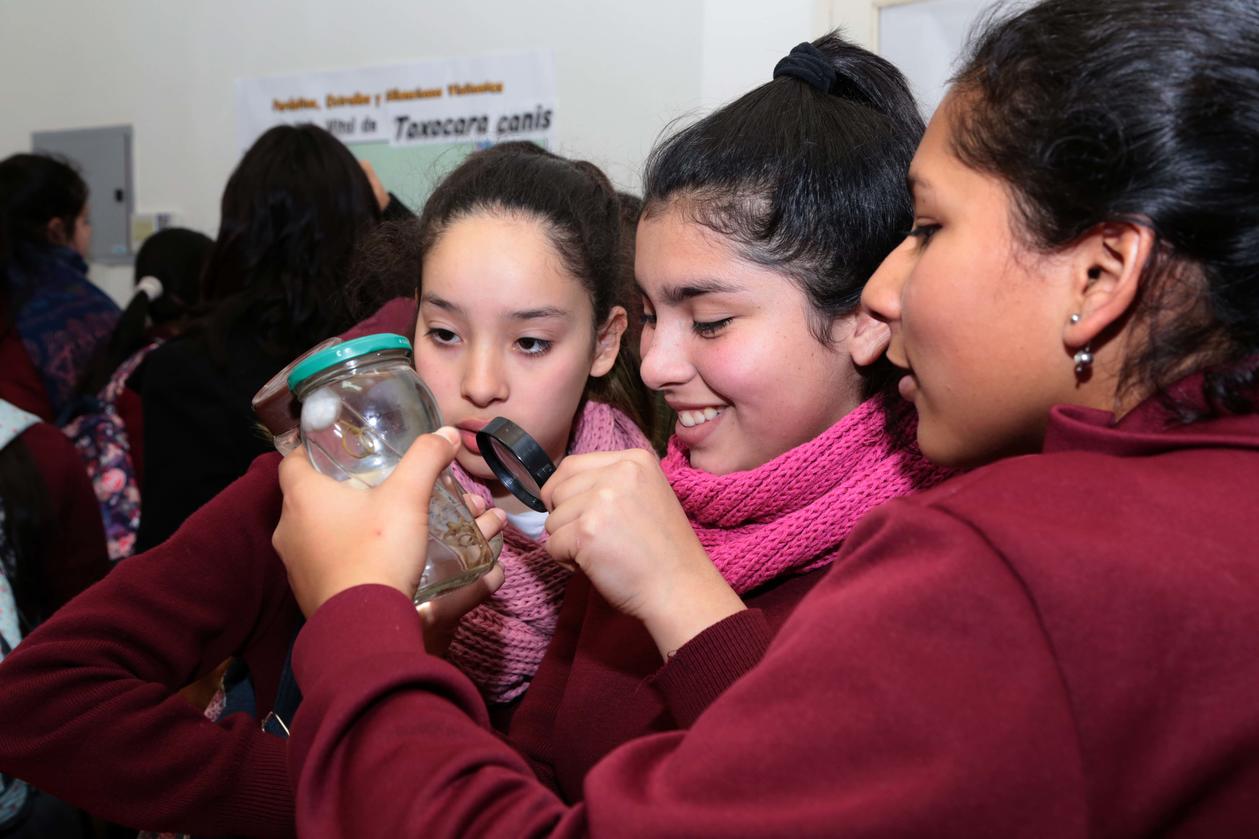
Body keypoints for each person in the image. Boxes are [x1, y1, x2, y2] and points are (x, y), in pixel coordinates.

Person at [269, 1, 1259, 835]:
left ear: (1098, 273)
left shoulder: (986, 561)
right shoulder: (630, 509)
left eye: (928, 231)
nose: (887, 294)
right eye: (654, 316)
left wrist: (362, 620)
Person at [274, 25, 952, 811]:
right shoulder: (638, 506)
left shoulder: (925, 563)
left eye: (708, 321)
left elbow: (830, 804)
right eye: (655, 314)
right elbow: (531, 781)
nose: (659, 366)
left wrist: (679, 592)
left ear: (865, 316)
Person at [0, 142, 652, 838]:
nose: (479, 383)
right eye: (443, 332)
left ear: (605, 342)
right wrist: (332, 790)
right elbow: (39, 698)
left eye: (529, 342)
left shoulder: (651, 530)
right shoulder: (322, 486)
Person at [133, 125, 388, 552]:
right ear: (363, 226)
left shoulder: (186, 372)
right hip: (376, 589)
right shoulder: (380, 355)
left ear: (237, 231)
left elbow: (171, 546)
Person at [0, 153, 120, 422]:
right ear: (56, 230)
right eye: (85, 221)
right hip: (42, 458)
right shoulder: (84, 309)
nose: (89, 233)